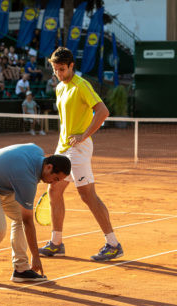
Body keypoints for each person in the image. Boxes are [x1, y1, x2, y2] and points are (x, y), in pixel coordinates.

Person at [38, 47, 123, 261]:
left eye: (62, 69)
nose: (59, 73)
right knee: (54, 190)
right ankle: (56, 242)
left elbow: (103, 112)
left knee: (87, 195)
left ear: (72, 66)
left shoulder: (82, 85)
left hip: (79, 148)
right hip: (64, 147)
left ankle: (113, 244)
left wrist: (84, 135)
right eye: (56, 70)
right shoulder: (59, 88)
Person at [0, 143, 71, 285]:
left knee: (19, 220)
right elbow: (28, 221)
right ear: (48, 167)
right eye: (56, 179)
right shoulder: (26, 179)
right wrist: (35, 256)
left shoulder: (38, 150)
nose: (54, 183)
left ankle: (21, 269)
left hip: (4, 186)